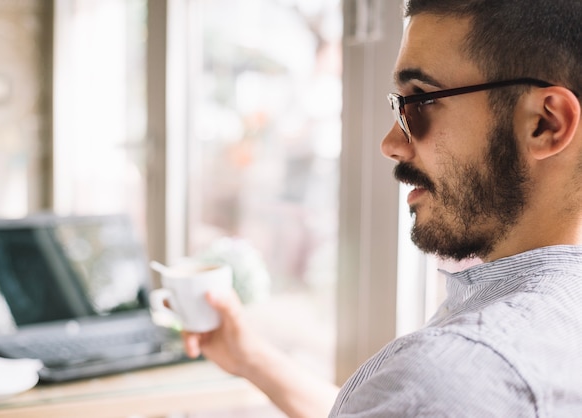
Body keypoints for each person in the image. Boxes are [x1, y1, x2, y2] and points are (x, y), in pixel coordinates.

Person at [182, 1, 582, 416]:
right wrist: (248, 357)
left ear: (545, 123)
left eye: (422, 100)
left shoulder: (458, 373)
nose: (391, 143)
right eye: (399, 105)